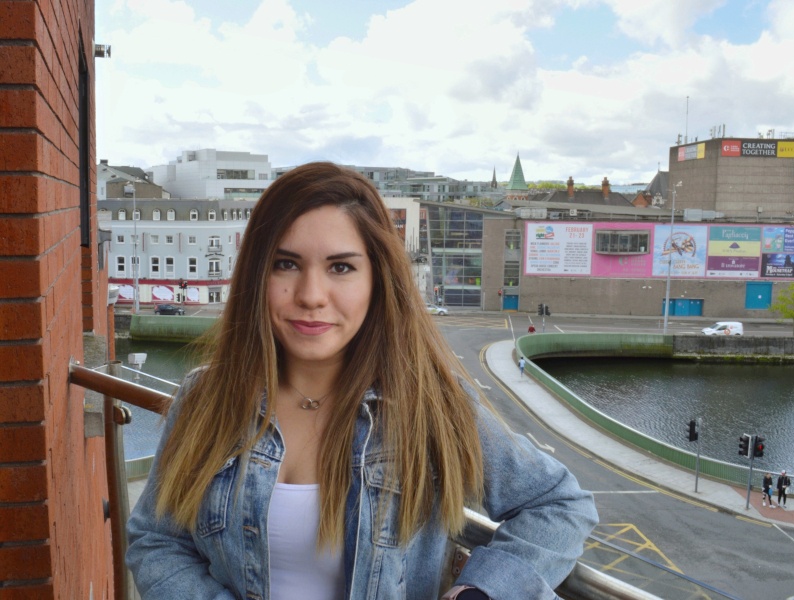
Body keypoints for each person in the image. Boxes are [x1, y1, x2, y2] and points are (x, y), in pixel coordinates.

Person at [126, 162, 598, 600]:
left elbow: (558, 505)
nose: (311, 296)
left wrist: (481, 592)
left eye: (341, 267)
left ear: (377, 279)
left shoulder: (427, 404)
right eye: (286, 264)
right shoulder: (205, 399)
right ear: (256, 275)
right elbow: (156, 540)